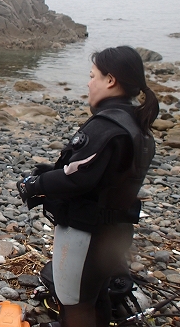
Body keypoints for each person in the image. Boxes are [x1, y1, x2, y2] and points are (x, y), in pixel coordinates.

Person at [16, 46, 159, 327]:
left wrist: (34, 184)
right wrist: (51, 174)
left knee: (74, 304)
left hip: (85, 235)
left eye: (93, 76)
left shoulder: (106, 126)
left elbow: (76, 178)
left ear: (111, 80)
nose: (88, 83)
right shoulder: (140, 127)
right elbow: (100, 176)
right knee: (97, 295)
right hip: (114, 233)